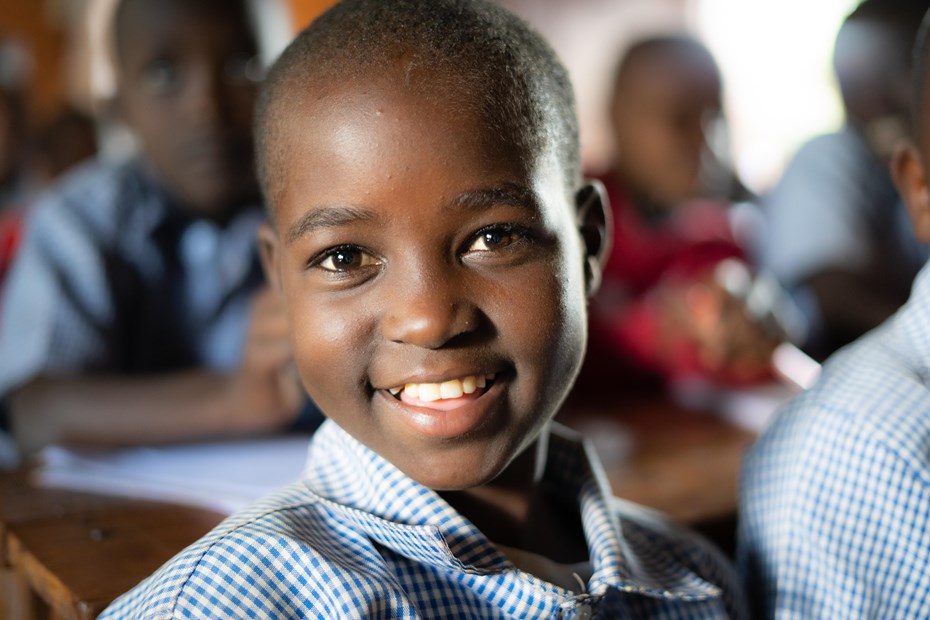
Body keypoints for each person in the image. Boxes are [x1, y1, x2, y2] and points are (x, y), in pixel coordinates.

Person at [99, 1, 747, 617]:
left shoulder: (692, 582)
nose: (429, 319)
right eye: (346, 258)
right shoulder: (230, 603)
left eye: (494, 239)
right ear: (279, 279)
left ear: (588, 245)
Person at [0, 0, 313, 460]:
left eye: (240, 65)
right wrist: (234, 399)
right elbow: (34, 408)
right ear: (119, 107)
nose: (207, 107)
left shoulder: (312, 209)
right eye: (164, 73)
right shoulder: (78, 221)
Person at [737, 8, 930, 617]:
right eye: (861, 81)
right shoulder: (869, 454)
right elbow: (830, 294)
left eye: (886, 78)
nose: (873, 97)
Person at [581, 35, 784, 395]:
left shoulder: (720, 237)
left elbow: (738, 348)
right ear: (617, 116)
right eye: (679, 120)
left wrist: (751, 325)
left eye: (714, 117)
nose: (705, 143)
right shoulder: (565, 213)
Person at [760, 0, 930, 360]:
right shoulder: (828, 158)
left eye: (897, 72)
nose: (875, 100)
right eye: (854, 82)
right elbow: (835, 304)